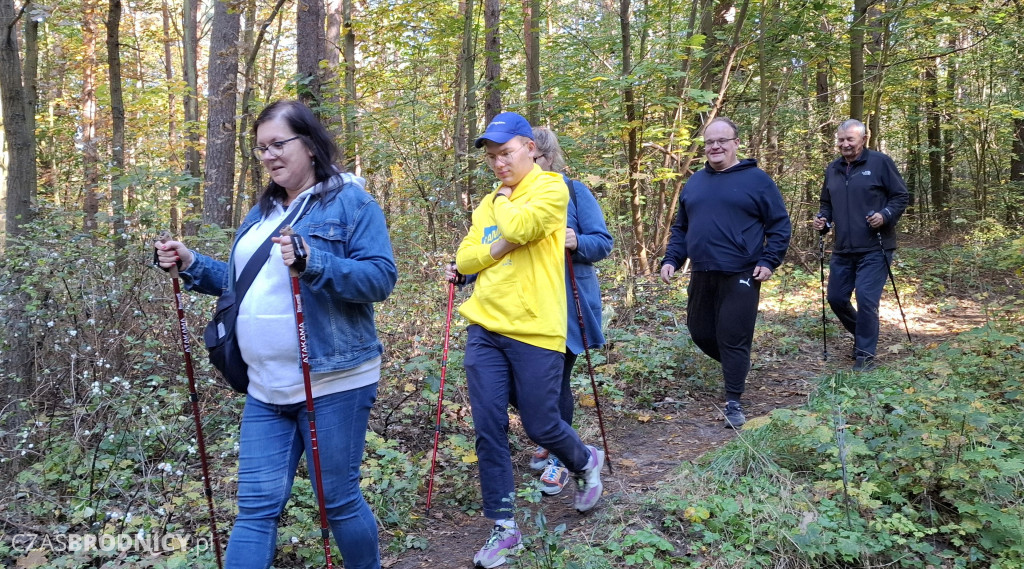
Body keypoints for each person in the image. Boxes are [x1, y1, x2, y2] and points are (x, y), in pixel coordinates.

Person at [155, 100, 397, 569]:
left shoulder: (352, 201)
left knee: (338, 503)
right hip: (266, 387)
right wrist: (191, 263)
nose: (268, 156)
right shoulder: (263, 210)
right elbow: (243, 283)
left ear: (309, 143)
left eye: (277, 144)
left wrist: (314, 261)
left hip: (334, 381)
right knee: (255, 509)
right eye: (260, 148)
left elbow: (380, 278)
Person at [455, 112, 605, 569]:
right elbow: (467, 257)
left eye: (506, 153)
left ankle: (583, 461)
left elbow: (520, 228)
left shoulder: (551, 189)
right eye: (492, 157)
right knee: (488, 429)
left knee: (541, 425)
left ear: (530, 148)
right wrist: (495, 247)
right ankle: (504, 527)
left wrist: (502, 215)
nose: (498, 164)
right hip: (485, 328)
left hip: (537, 328)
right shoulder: (489, 201)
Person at [659, 117, 791, 429]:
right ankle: (738, 363)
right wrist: (672, 259)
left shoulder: (757, 180)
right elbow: (682, 228)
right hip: (703, 272)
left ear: (735, 143)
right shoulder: (695, 183)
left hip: (742, 272)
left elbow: (780, 224)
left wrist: (770, 260)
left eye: (722, 141)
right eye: (709, 142)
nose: (715, 146)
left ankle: (734, 400)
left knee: (733, 335)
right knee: (700, 331)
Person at [813, 119, 908, 372]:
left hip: (876, 247)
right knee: (836, 298)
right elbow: (827, 203)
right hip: (843, 248)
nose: (845, 144)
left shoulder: (880, 163)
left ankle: (864, 355)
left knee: (867, 300)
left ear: (863, 139)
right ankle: (864, 333)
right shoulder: (832, 168)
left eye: (850, 139)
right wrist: (823, 221)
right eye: (841, 140)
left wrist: (885, 215)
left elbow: (901, 196)